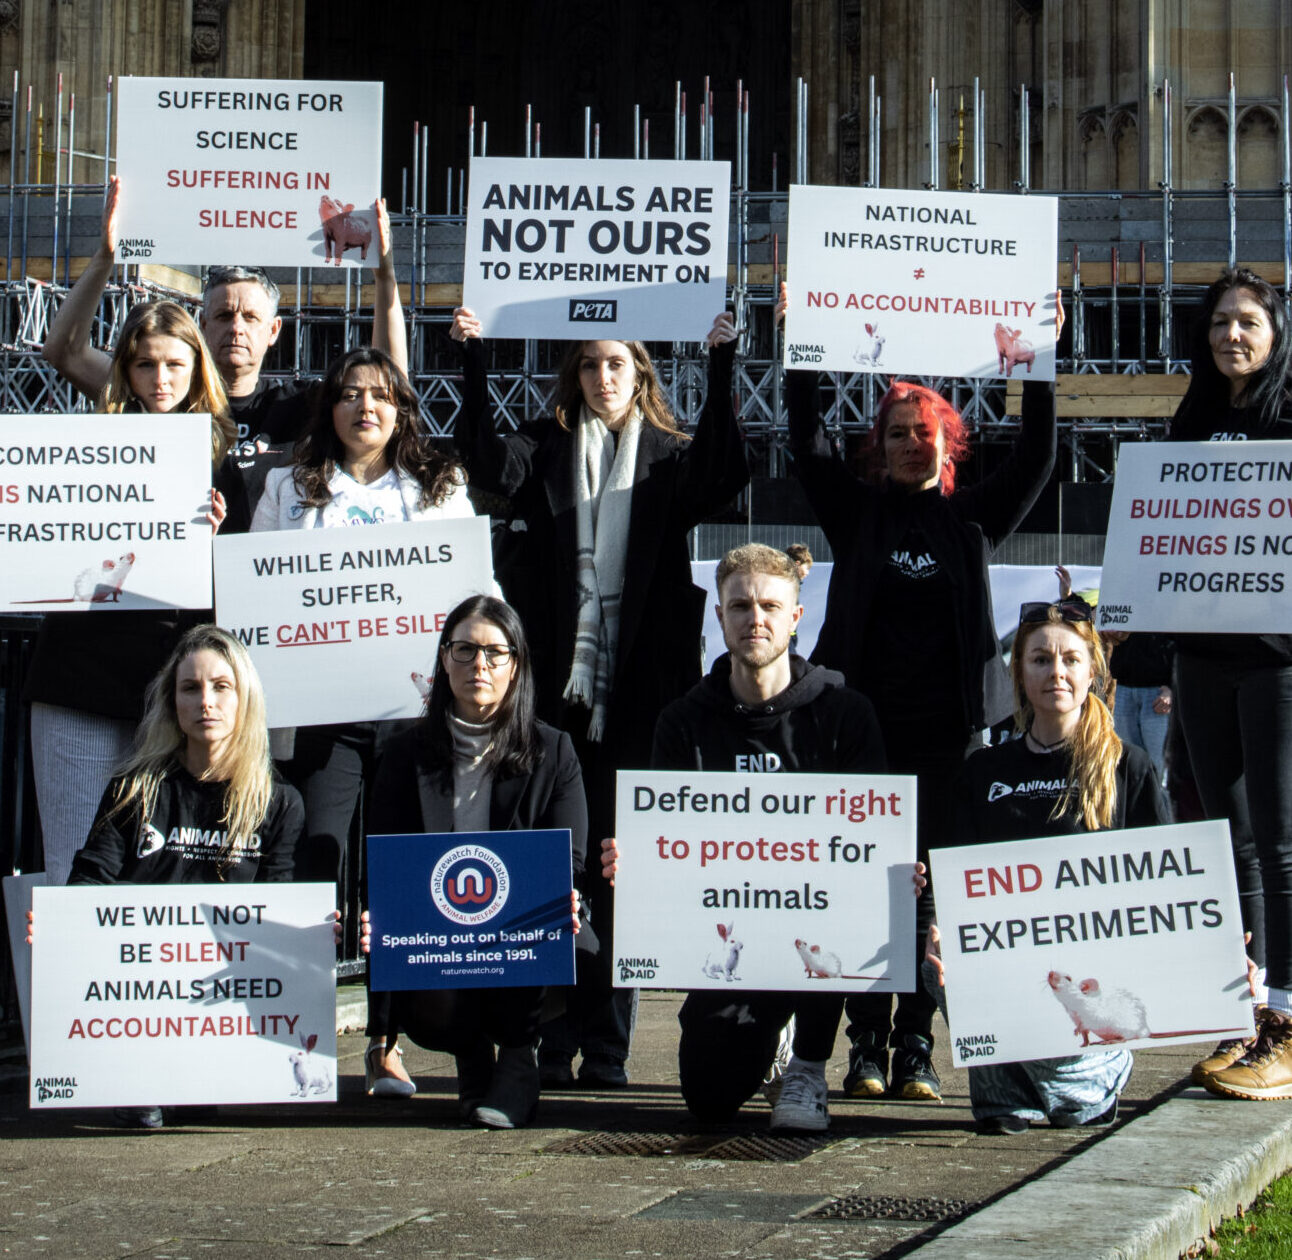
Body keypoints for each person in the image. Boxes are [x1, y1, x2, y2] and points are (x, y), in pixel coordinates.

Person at [452, 306, 749, 1087]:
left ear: (641, 376)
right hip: (553, 704)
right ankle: (550, 1037)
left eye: (618, 364)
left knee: (622, 870)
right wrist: (475, 356)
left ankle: (610, 1046)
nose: (603, 377)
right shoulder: (545, 448)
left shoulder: (665, 459)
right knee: (555, 866)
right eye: (590, 365)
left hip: (640, 703)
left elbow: (725, 469)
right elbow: (484, 460)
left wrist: (721, 365)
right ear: (574, 376)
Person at [780, 283, 1060, 1103]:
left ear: (951, 444)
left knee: (936, 889)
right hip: (863, 735)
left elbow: (1039, 456)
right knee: (870, 886)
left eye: (926, 432)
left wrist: (1037, 356)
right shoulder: (856, 513)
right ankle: (864, 1044)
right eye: (898, 433)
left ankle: (915, 1044)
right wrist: (803, 342)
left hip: (950, 739)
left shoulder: (972, 520)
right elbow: (805, 437)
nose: (912, 444)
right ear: (881, 446)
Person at [602, 544, 926, 1132]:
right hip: (735, 933)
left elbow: (871, 842)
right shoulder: (681, 722)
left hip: (816, 919)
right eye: (741, 605)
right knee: (709, 1097)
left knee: (851, 896)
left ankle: (807, 1064)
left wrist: (895, 863)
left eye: (771, 606)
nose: (757, 618)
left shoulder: (845, 713)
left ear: (796, 617)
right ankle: (773, 1039)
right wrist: (636, 863)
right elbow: (666, 845)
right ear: (720, 616)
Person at [925, 599, 1170, 1133]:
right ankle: (1025, 1090)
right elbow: (955, 874)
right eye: (1040, 659)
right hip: (1007, 962)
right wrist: (936, 923)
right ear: (1020, 672)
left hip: (1094, 969)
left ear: (1093, 670)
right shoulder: (984, 770)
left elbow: (1168, 885)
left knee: (1073, 1089)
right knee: (934, 958)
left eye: (1070, 660)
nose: (1055, 672)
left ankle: (1070, 1079)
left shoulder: (1130, 767)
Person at [41, 175, 407, 527]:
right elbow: (64, 352)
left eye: (250, 317)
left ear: (273, 330)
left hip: (274, 573)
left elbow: (389, 380)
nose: (236, 327)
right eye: (223, 315)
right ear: (202, 324)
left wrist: (385, 277)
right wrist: (106, 257)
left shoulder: (302, 406)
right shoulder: (162, 392)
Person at [251, 347, 475, 916]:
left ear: (401, 408)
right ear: (329, 408)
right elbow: (257, 589)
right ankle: (309, 997)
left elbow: (478, 593)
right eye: (349, 394)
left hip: (414, 710)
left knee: (408, 869)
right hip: (325, 717)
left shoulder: (441, 486)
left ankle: (399, 1005)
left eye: (380, 394)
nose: (364, 406)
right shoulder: (286, 487)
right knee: (316, 862)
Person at [24, 299, 233, 886]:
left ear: (198, 367)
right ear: (126, 370)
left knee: (157, 871)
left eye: (174, 363)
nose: (161, 379)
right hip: (80, 681)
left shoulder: (222, 462)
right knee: (73, 868)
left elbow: (232, 599)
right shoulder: (83, 450)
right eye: (145, 365)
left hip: (172, 694)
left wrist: (209, 542)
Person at [64, 623, 305, 1128]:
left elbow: (279, 903)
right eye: (190, 688)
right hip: (141, 982)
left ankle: (200, 1072)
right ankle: (144, 1077)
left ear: (246, 700)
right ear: (172, 701)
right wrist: (59, 921)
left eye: (222, 687)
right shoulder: (134, 789)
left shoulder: (279, 802)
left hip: (226, 985)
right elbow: (91, 878)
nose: (206, 702)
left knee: (203, 1100)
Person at [362, 595, 587, 1128]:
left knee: (555, 927)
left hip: (522, 935)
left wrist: (569, 896)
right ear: (443, 660)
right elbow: (388, 863)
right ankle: (471, 1056)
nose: (478, 666)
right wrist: (382, 918)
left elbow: (569, 858)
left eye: (494, 652)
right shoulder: (403, 753)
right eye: (464, 650)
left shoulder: (554, 751)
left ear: (517, 665)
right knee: (428, 994)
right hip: (442, 938)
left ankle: (516, 1058)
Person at [1164, 268, 1292, 1100]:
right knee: (1219, 836)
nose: (1231, 336)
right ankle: (1242, 1016)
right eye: (1219, 324)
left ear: (1276, 335)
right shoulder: (1195, 415)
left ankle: (1287, 1018)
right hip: (1202, 653)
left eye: (1247, 323)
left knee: (1281, 841)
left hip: (1278, 655)